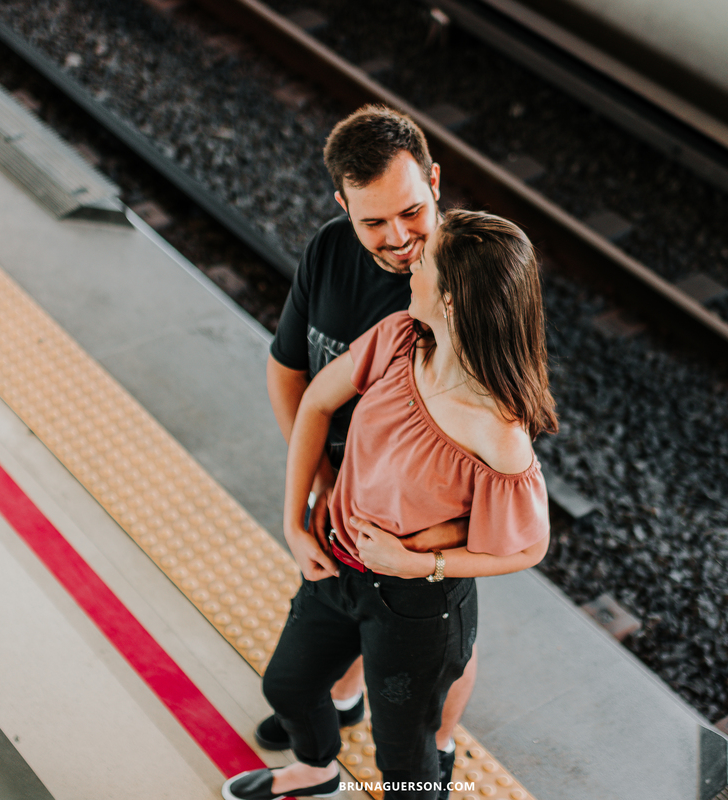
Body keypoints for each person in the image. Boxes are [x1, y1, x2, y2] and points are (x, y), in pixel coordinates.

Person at [223, 209, 558, 800]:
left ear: (452, 303)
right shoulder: (398, 335)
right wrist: (294, 521)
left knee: (404, 755)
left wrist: (420, 565)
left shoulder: (498, 430)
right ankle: (317, 770)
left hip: (416, 606)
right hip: (337, 562)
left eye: (425, 261)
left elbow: (530, 546)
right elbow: (315, 406)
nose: (411, 262)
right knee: (289, 686)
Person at [260, 105, 475, 783]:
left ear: (435, 180)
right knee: (342, 631)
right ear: (343, 206)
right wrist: (320, 480)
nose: (398, 238)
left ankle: (437, 747)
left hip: (423, 527)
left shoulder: (468, 288)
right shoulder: (329, 247)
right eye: (373, 222)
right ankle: (344, 700)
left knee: (436, 663)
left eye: (410, 212)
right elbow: (289, 370)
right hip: (342, 502)